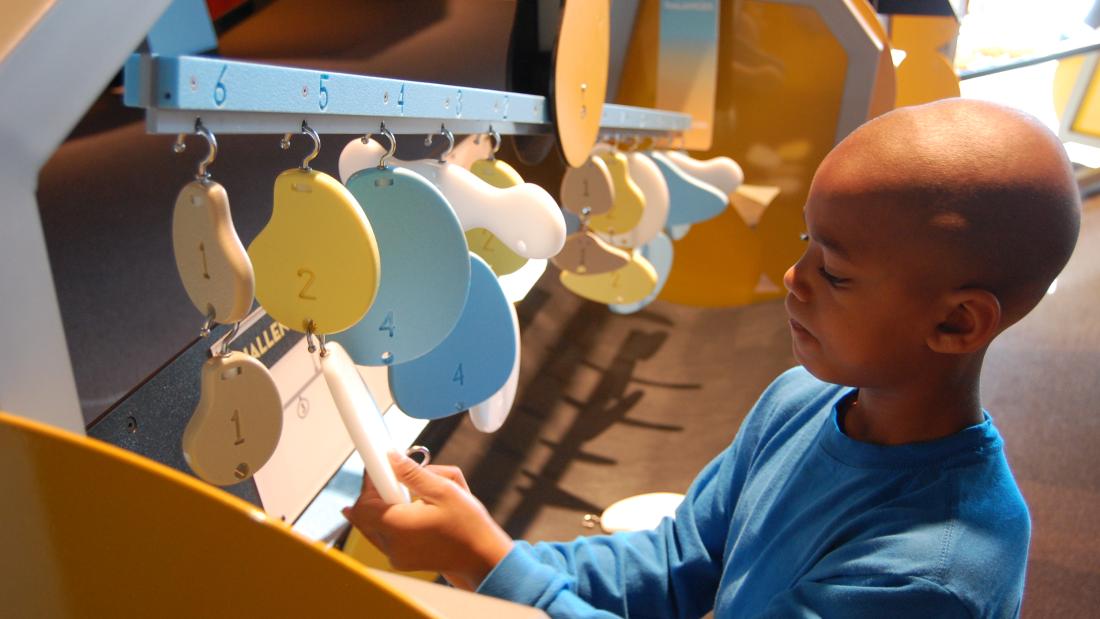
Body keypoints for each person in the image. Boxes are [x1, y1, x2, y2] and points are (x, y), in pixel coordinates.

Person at [342, 98, 1081, 617]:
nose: (794, 279)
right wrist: (491, 545)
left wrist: (487, 563)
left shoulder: (936, 571)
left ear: (956, 321)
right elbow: (676, 560)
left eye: (836, 271)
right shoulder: (799, 398)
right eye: (805, 244)